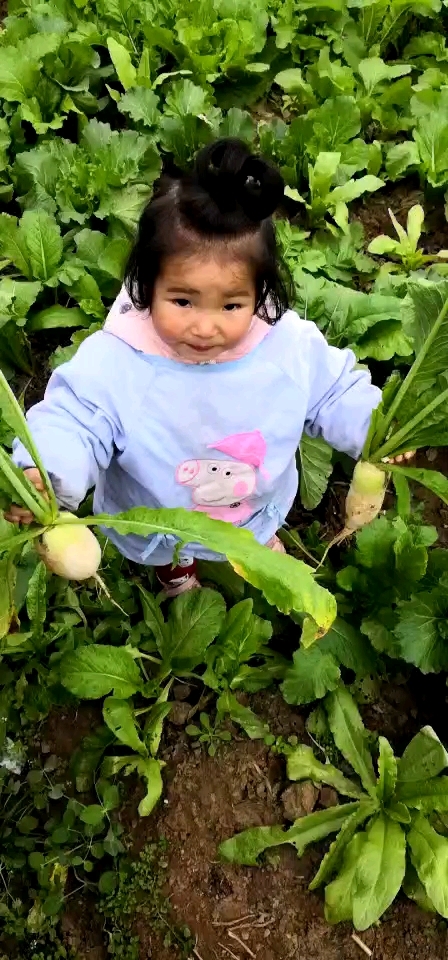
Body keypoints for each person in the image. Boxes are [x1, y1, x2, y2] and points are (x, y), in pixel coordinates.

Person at [9, 137, 381, 596]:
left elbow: (335, 392)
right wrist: (47, 474)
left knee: (249, 529)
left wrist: (376, 429)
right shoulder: (118, 362)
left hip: (251, 499)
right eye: (183, 301)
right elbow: (76, 420)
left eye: (231, 305)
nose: (205, 327)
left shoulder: (288, 348)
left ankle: (255, 541)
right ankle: (175, 568)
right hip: (158, 508)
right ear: (148, 284)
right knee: (173, 547)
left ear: (260, 294)